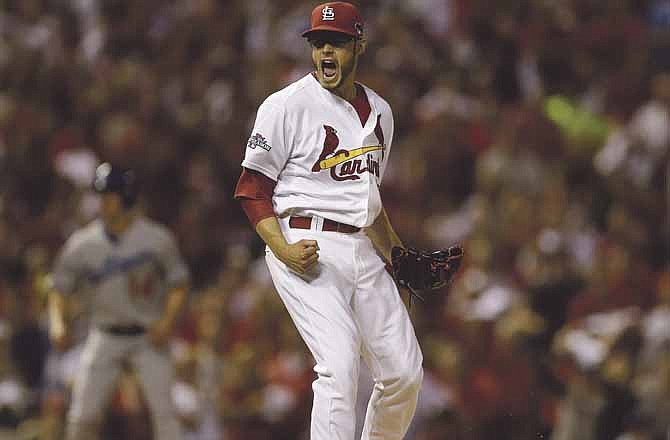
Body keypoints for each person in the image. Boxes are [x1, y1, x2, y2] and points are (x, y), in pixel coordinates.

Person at [234, 3, 423, 438]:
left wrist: (397, 255)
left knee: (404, 374)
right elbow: (252, 191)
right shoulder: (286, 105)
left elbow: (366, 200)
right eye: (318, 42)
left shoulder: (381, 113)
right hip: (304, 242)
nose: (325, 52)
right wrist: (282, 249)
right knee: (338, 369)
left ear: (359, 44)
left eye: (336, 42)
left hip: (362, 247)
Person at [48, 162, 190, 440]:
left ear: (126, 196)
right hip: (104, 335)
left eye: (108, 195)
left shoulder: (156, 238)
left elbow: (179, 284)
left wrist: (167, 321)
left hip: (147, 336)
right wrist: (57, 323)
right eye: (101, 195)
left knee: (165, 415)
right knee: (82, 416)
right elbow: (59, 287)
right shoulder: (83, 243)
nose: (102, 201)